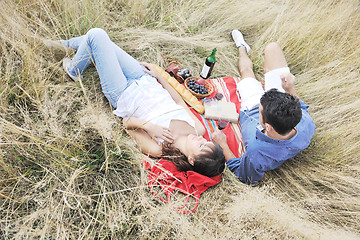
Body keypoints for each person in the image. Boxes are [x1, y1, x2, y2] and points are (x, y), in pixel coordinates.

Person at [46, 28, 225, 177]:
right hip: (143, 79)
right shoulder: (198, 129)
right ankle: (62, 45)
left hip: (122, 92)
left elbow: (127, 124)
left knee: (97, 36)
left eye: (201, 145)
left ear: (192, 160)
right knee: (101, 42)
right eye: (205, 141)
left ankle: (73, 70)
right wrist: (159, 76)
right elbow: (178, 100)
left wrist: (150, 127)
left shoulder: (158, 148)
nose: (200, 139)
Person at [212, 29, 316, 185]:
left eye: (260, 112)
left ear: (267, 126)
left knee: (246, 72)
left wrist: (223, 144)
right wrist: (289, 89)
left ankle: (242, 48)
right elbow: (300, 106)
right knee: (272, 48)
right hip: (278, 99)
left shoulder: (257, 151)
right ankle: (269, 78)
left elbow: (244, 175)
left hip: (250, 107)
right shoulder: (306, 124)